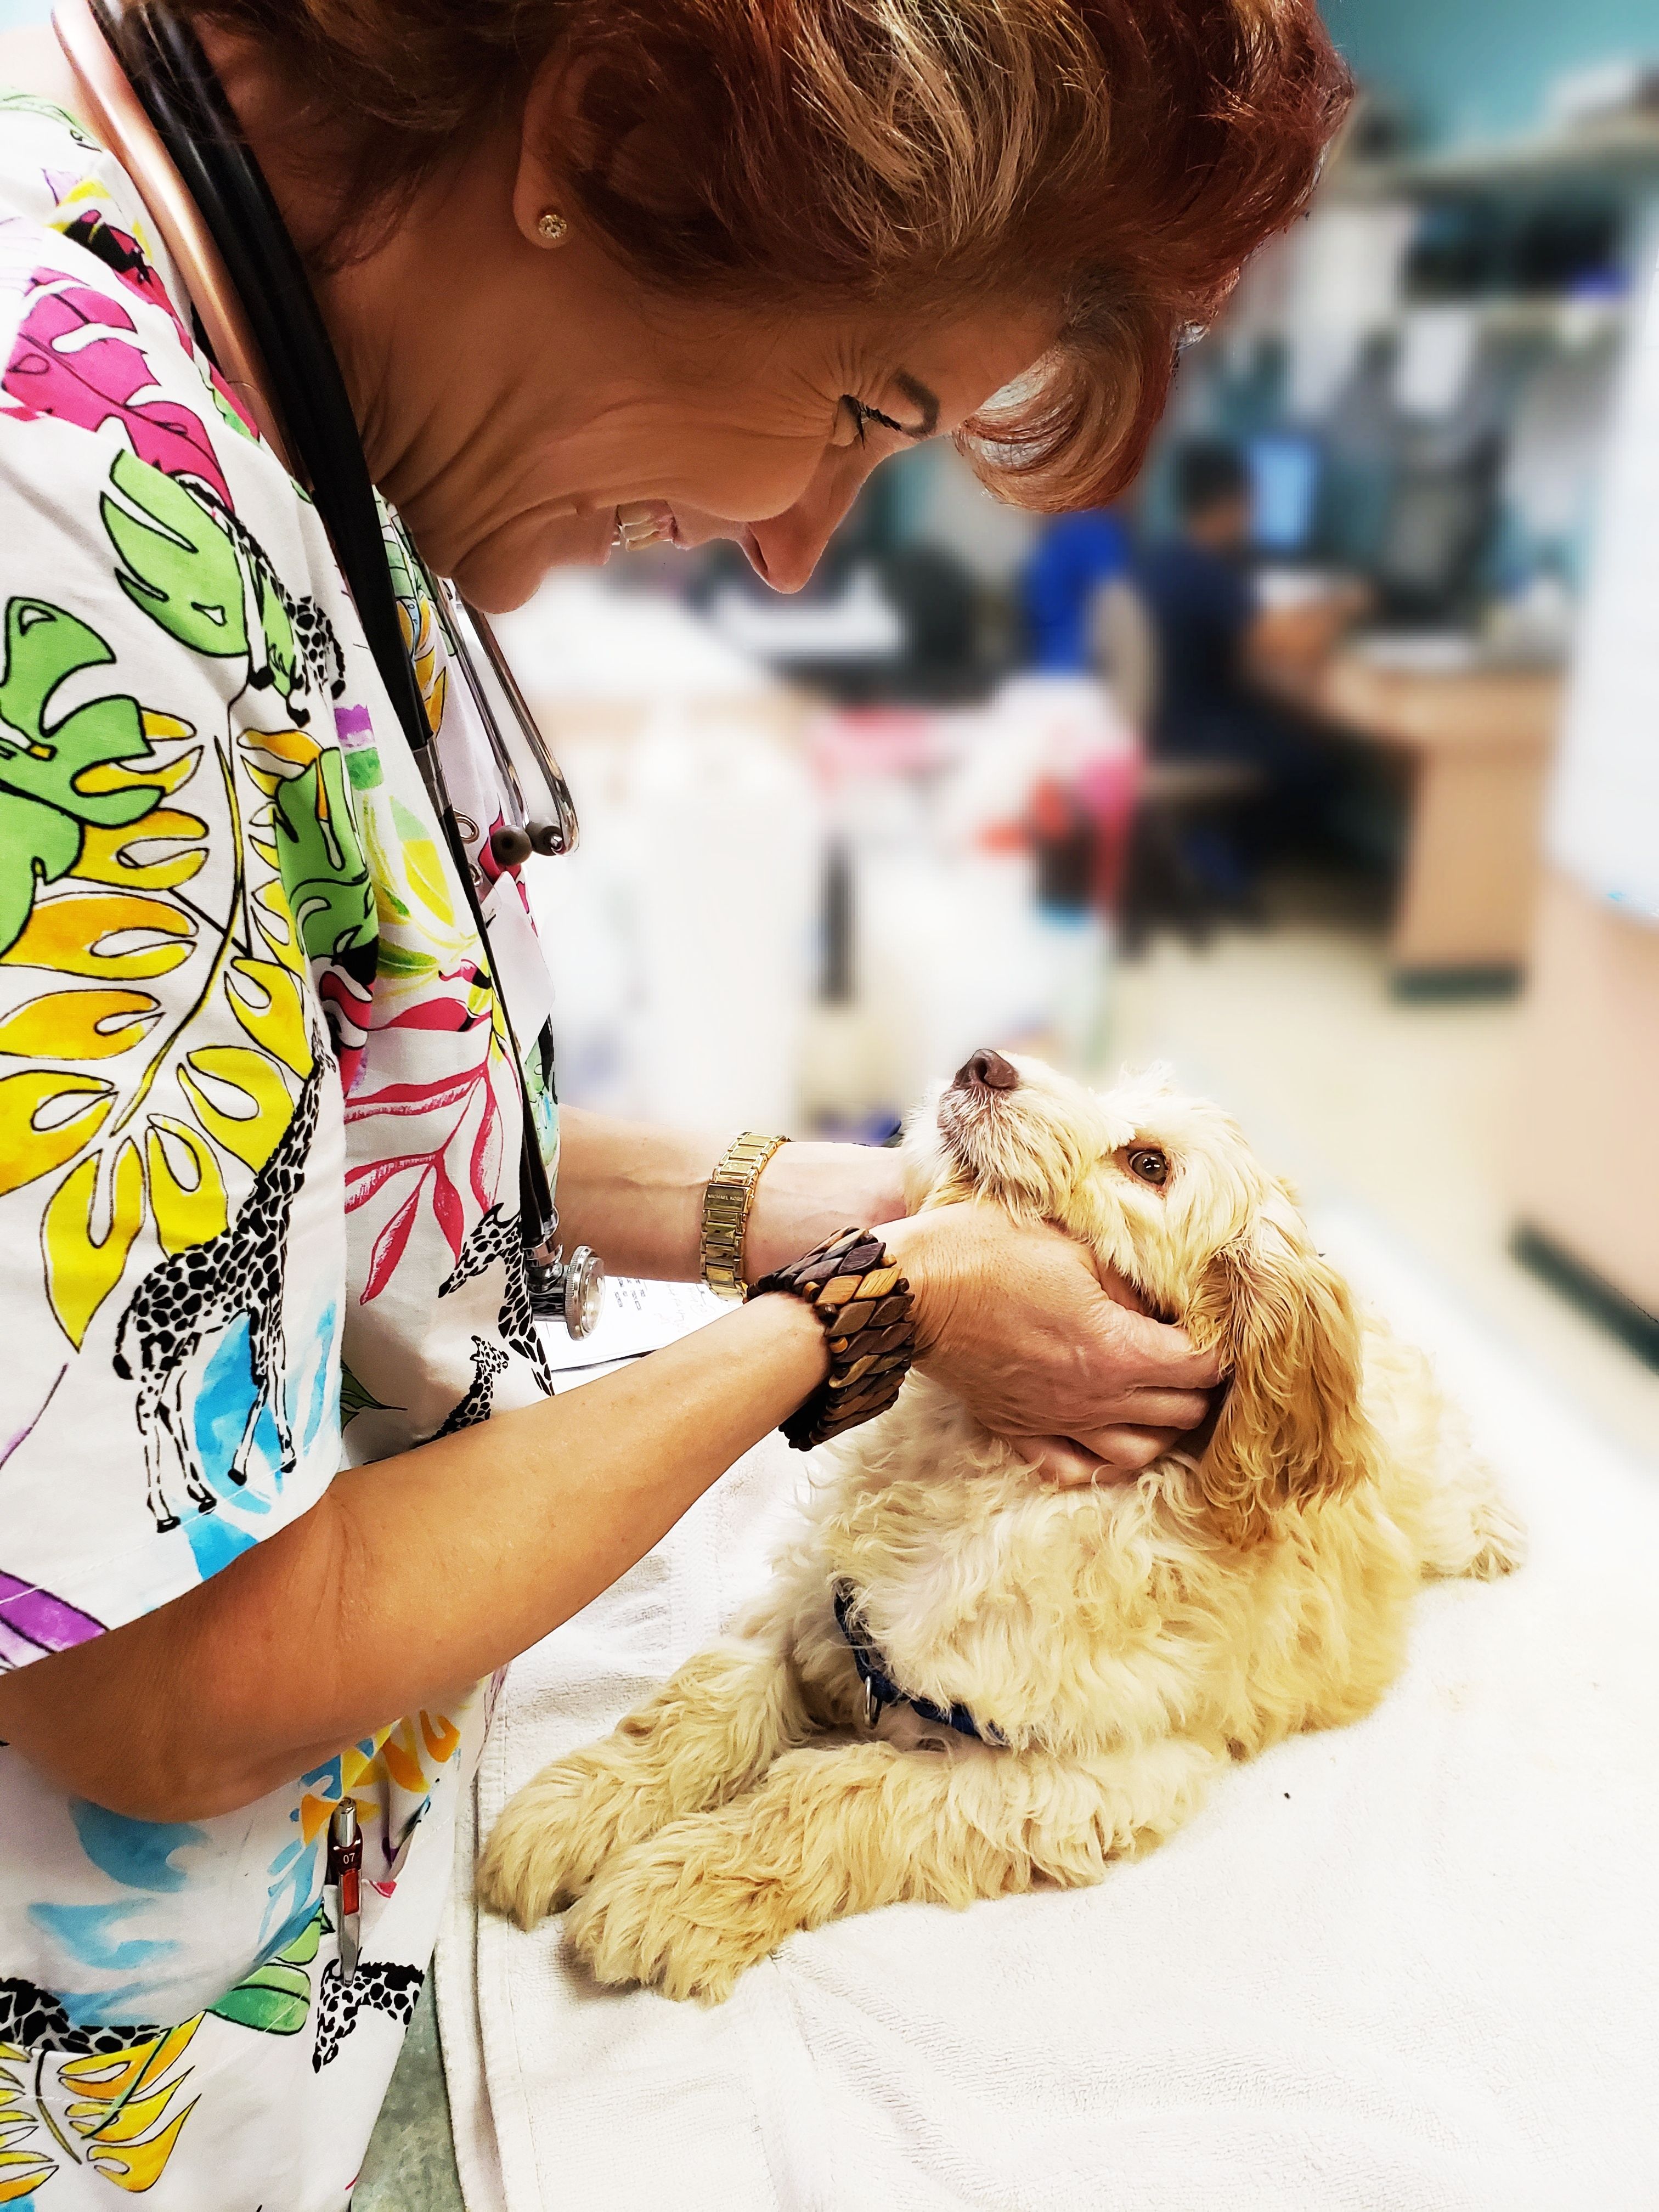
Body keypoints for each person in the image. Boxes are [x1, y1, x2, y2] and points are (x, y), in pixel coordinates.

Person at [0, 1, 1348, 2200]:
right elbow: (160, 1680)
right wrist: (859, 1308)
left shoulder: (286, 377)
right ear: (608, 127)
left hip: (332, 1937)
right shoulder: (56, 542)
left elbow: (277, 1141)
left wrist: (777, 1196)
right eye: (856, 407)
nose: (799, 547)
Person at [1134, 437, 1364, 899]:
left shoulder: (1162, 561)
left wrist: (1303, 613)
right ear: (1231, 505)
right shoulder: (1210, 575)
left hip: (1156, 720)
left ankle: (1209, 841)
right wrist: (1347, 606)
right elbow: (1291, 648)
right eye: (1250, 504)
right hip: (1192, 731)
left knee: (1289, 730)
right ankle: (1220, 861)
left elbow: (1261, 631)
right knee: (1325, 767)